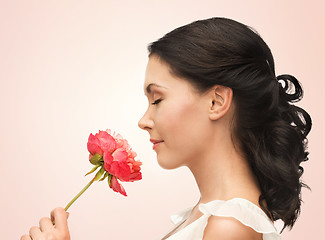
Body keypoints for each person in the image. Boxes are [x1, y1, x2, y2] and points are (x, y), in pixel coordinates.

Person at [20, 17, 312, 240]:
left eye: (157, 99)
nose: (144, 120)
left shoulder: (229, 225)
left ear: (216, 101)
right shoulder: (211, 214)